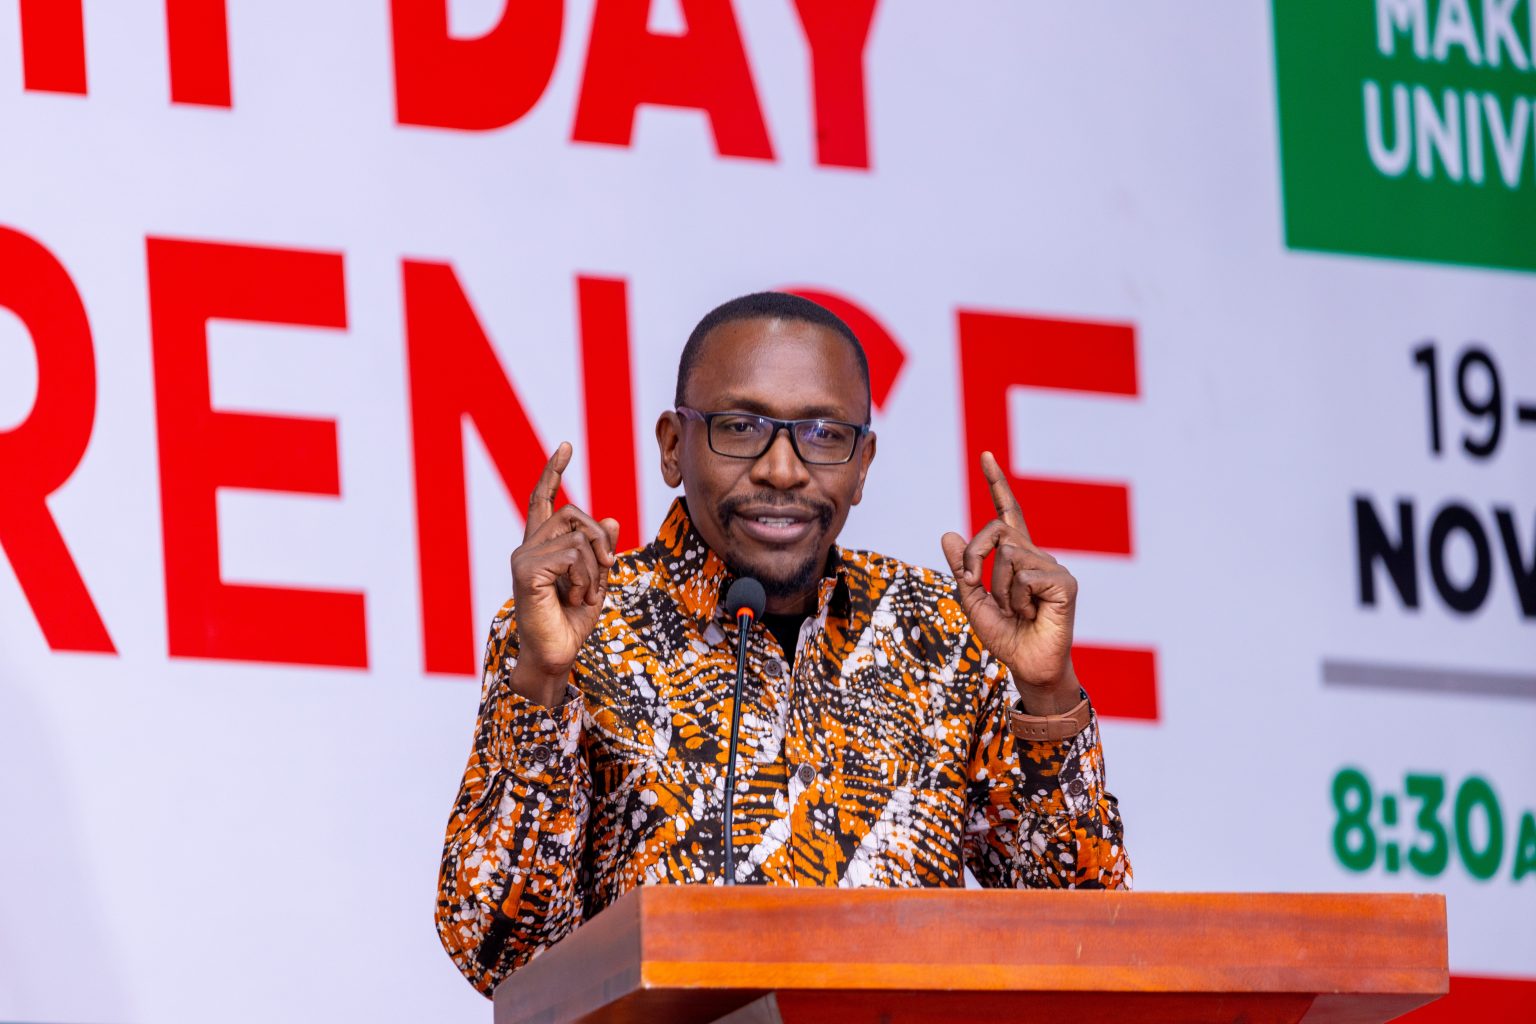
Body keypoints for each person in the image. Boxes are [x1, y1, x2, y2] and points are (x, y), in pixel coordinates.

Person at [435, 292, 1131, 995]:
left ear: (862, 464)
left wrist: (1047, 696)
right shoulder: (583, 627)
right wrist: (543, 682)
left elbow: (1084, 941)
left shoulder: (943, 633)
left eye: (824, 434)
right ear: (674, 448)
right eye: (740, 427)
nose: (782, 469)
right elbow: (499, 952)